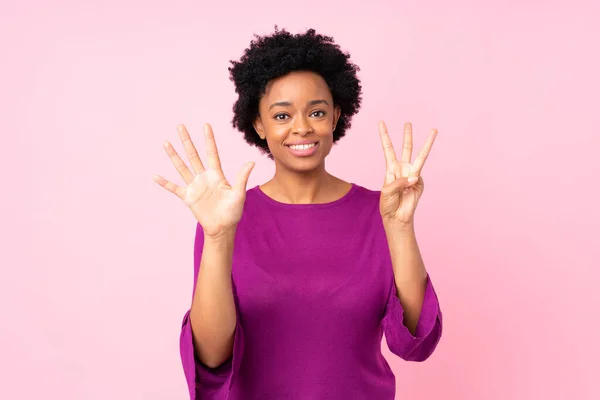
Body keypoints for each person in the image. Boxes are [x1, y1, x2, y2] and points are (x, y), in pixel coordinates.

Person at [153, 27, 443, 400]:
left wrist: (401, 228)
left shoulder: (382, 211)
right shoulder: (226, 217)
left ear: (336, 115)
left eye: (317, 112)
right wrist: (218, 237)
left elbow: (415, 344)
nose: (302, 127)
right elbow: (211, 357)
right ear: (258, 124)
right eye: (281, 115)